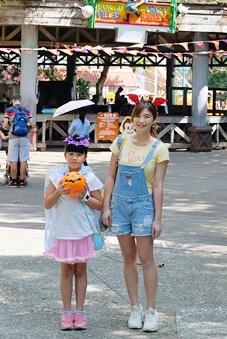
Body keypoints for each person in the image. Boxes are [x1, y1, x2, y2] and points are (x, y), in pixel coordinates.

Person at [101, 100, 170, 332]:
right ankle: (134, 307)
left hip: (144, 207)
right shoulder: (120, 142)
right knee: (128, 259)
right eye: (138, 116)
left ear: (154, 120)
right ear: (132, 118)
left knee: (146, 259)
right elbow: (110, 176)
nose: (142, 120)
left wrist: (158, 218)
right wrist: (106, 207)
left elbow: (158, 186)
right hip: (119, 205)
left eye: (147, 116)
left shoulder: (159, 148)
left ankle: (151, 310)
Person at [43, 134, 105, 331]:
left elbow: (99, 204)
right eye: (71, 154)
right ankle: (67, 312)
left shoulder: (90, 177)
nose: (75, 158)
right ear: (65, 155)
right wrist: (58, 192)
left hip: (83, 232)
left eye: (79, 154)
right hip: (63, 232)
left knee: (81, 271)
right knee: (66, 271)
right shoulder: (57, 176)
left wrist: (84, 196)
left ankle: (80, 311)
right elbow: (47, 203)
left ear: (85, 156)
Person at [4, 93, 35, 187]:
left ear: (12, 100)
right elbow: (32, 124)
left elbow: (5, 125)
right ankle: (22, 181)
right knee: (23, 160)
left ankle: (13, 181)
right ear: (20, 100)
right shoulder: (26, 110)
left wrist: (10, 128)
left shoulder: (9, 110)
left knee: (13, 160)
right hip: (24, 137)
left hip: (13, 137)